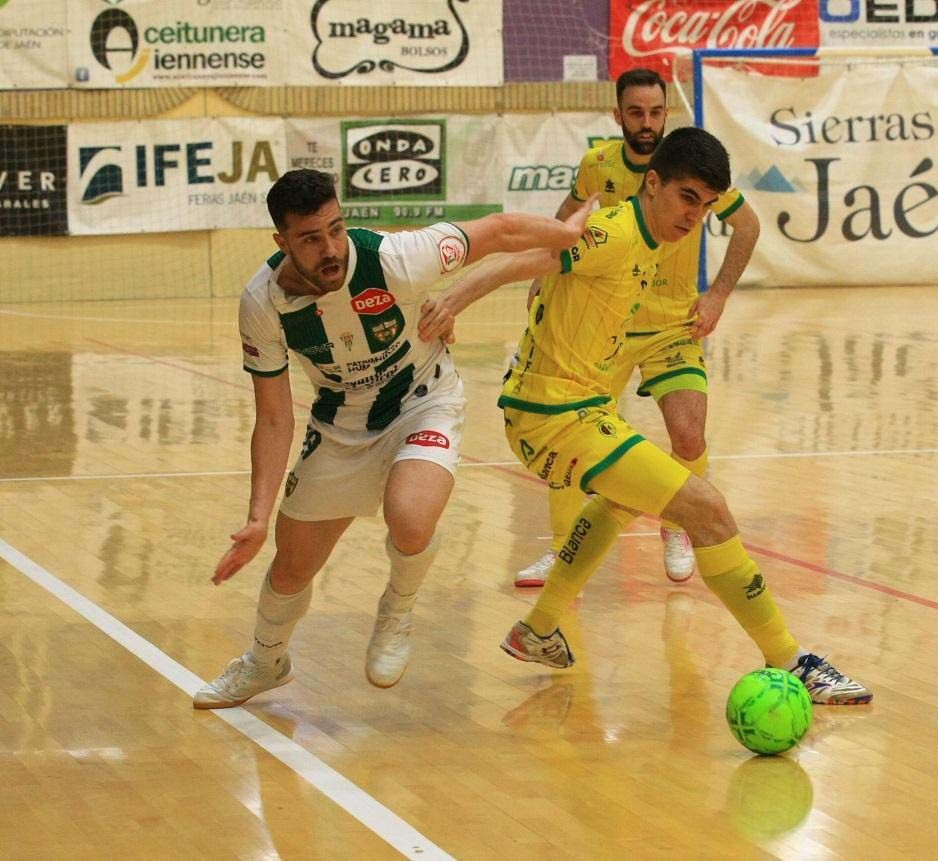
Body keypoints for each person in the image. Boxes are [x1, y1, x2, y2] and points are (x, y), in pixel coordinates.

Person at [418, 128, 871, 705]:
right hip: (552, 414)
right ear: (652, 184)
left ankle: (539, 627)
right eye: (687, 198)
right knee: (707, 510)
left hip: (575, 409)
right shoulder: (614, 232)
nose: (695, 216)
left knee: (623, 499)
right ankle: (793, 660)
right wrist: (451, 300)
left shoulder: (649, 241)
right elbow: (524, 257)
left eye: (707, 206)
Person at [192, 169, 594, 709]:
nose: (330, 248)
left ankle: (396, 611)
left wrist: (564, 234)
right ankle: (266, 662)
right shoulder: (262, 303)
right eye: (311, 239)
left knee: (409, 517)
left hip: (423, 400)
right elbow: (273, 417)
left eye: (336, 229)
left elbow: (496, 230)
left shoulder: (395, 258)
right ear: (281, 242)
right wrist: (258, 516)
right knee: (290, 566)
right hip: (339, 427)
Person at [512, 68, 761, 588]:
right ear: (617, 114)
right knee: (575, 442)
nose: (647, 124)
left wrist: (716, 296)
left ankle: (677, 525)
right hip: (610, 333)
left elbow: (747, 225)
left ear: (667, 112)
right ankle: (561, 552)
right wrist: (549, 268)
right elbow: (568, 216)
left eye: (655, 112)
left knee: (689, 431)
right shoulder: (597, 165)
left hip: (675, 327)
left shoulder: (690, 166)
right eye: (636, 113)